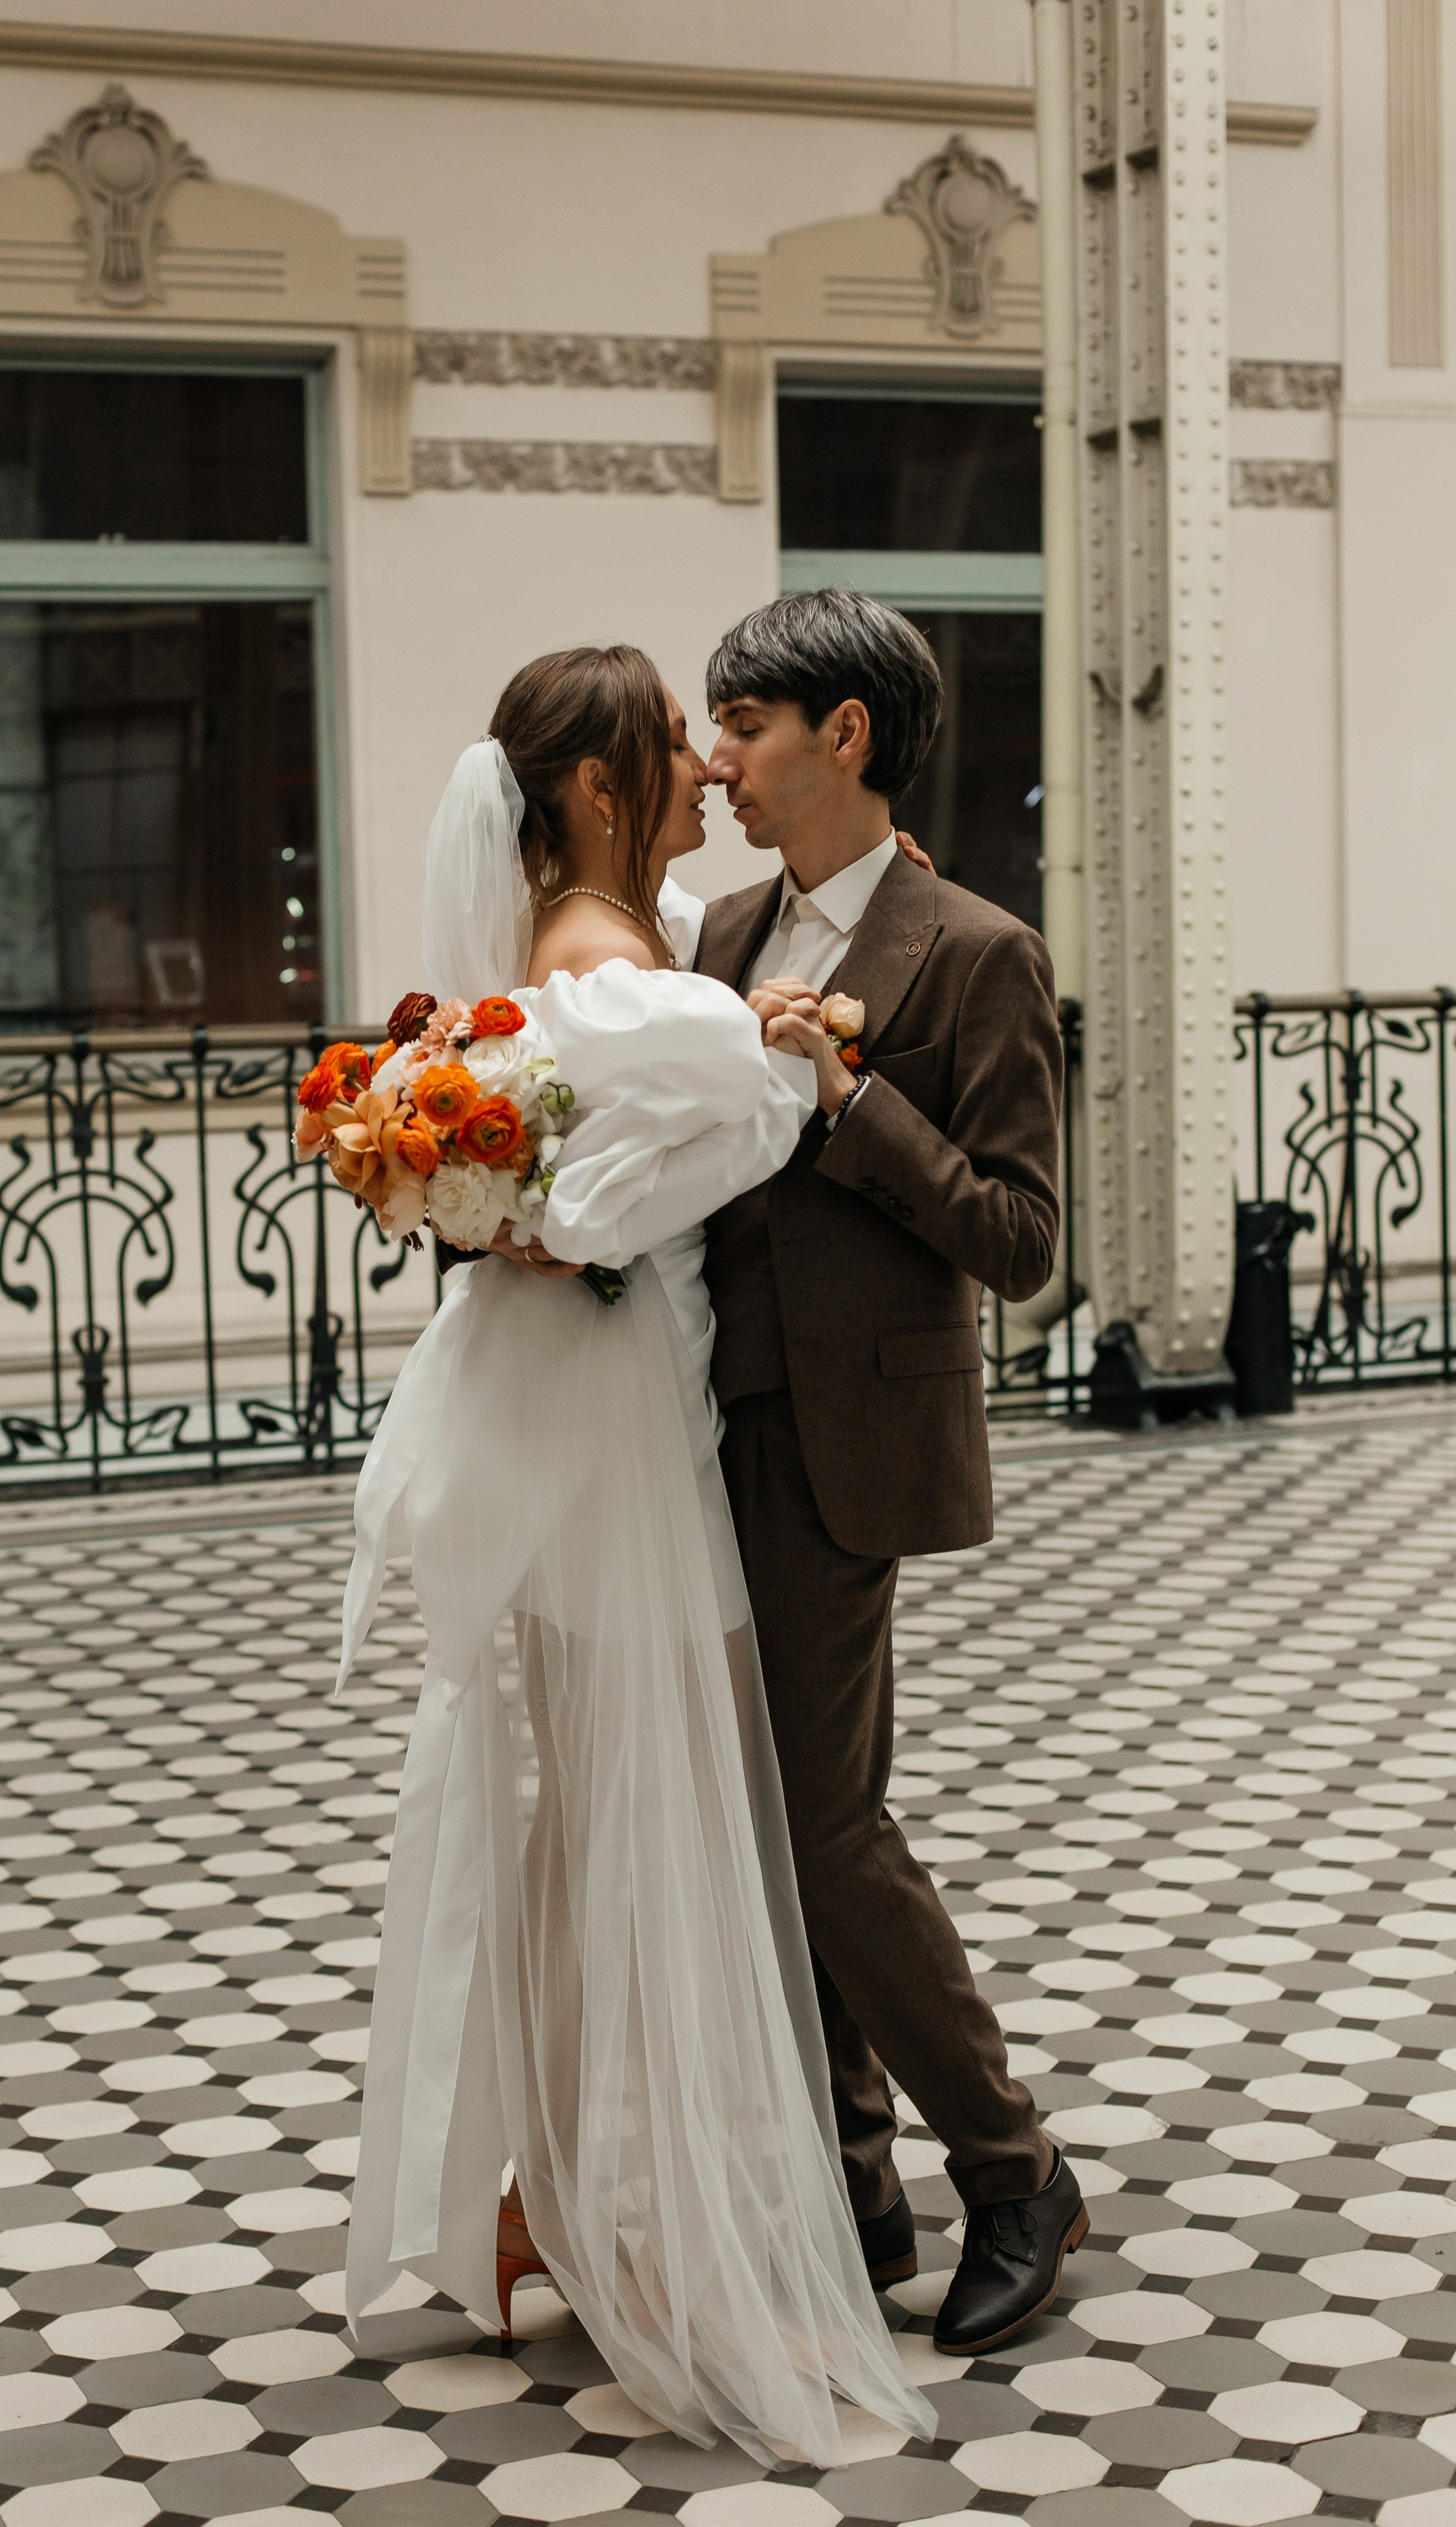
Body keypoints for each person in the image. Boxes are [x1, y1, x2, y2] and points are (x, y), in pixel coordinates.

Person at [336, 645, 936, 2464]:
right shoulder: (632, 998)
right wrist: (798, 1040)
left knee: (584, 1832)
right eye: (673, 748)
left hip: (567, 1436)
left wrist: (509, 1182)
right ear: (594, 794)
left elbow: (559, 1168)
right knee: (655, 1837)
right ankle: (647, 2250)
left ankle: (538, 2193)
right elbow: (738, 1125)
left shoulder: (552, 979)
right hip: (629, 1459)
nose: (702, 769)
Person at [697, 586, 1088, 2355]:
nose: (721, 765)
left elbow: (1021, 1240)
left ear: (844, 736)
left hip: (847, 1436)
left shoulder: (975, 948)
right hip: (693, 1431)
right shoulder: (714, 934)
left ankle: (1011, 2173)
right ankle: (857, 2192)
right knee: (765, 1836)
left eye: (748, 732)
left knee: (828, 1828)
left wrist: (856, 1110)